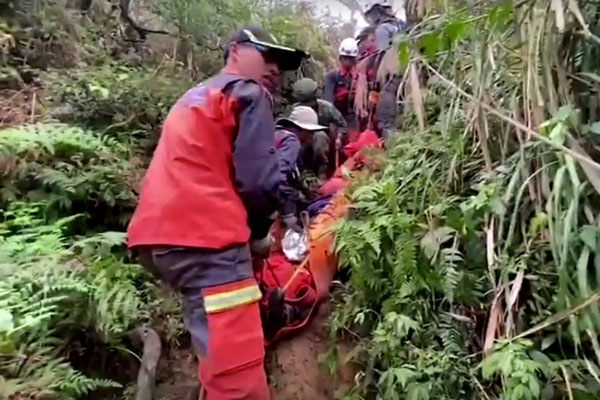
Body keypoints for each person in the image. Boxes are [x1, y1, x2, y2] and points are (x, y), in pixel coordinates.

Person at [127, 26, 305, 400]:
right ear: (236, 51)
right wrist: (259, 232)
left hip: (156, 241)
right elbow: (258, 182)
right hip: (206, 241)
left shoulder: (194, 97)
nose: (275, 69)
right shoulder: (249, 93)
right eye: (267, 55)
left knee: (214, 345)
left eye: (281, 64)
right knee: (239, 377)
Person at [275, 105, 328, 232]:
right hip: (276, 199)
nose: (311, 136)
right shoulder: (291, 141)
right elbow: (280, 177)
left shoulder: (277, 134)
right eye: (310, 132)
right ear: (302, 129)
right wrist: (288, 208)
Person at [363, 1, 408, 141]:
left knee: (386, 121)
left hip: (393, 80)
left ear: (377, 12)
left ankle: (396, 153)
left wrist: (375, 86)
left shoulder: (382, 29)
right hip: (409, 77)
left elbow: (382, 56)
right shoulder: (402, 26)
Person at [292, 78, 347, 179]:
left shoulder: (326, 107)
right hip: (303, 142)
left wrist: (339, 138)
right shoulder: (295, 111)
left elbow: (342, 124)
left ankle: (323, 172)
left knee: (319, 136)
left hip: (323, 143)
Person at [324, 38, 359, 130]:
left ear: (354, 60)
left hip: (352, 117)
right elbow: (328, 100)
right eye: (345, 58)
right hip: (335, 114)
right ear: (340, 58)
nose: (347, 61)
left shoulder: (359, 77)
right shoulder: (332, 76)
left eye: (350, 59)